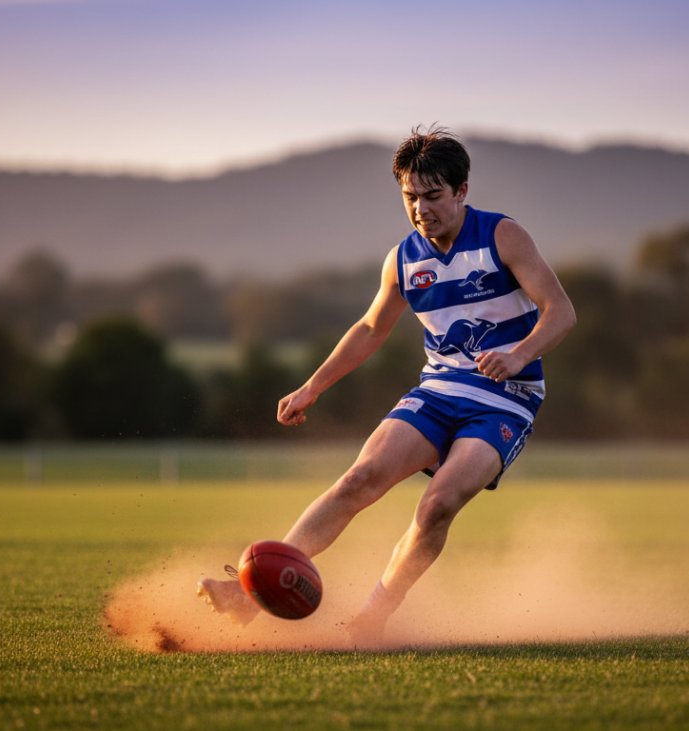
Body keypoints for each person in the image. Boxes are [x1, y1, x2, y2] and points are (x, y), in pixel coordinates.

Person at [198, 125, 576, 644]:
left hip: (505, 400)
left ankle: (374, 614)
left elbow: (561, 311)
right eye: (411, 197)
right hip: (439, 391)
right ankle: (248, 596)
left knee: (437, 505)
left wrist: (519, 354)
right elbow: (371, 329)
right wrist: (312, 386)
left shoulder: (502, 236)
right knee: (358, 480)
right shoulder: (403, 259)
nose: (421, 209)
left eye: (433, 196)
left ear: (462, 191)